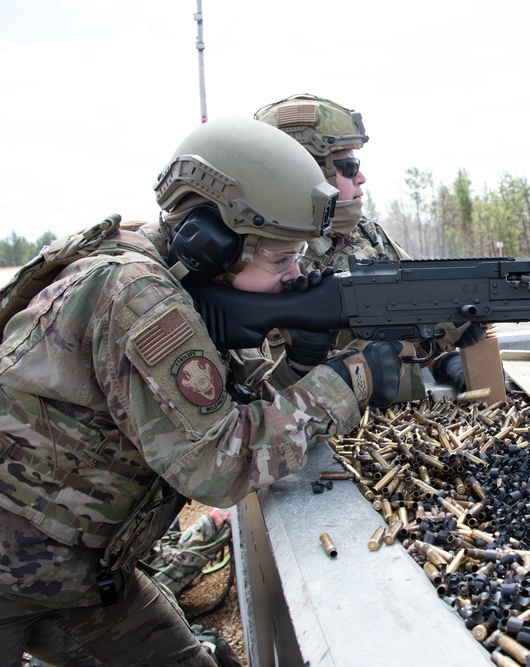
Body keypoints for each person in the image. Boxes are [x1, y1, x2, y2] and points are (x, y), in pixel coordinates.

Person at [0, 116, 406, 665]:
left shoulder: (184, 283)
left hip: (71, 576)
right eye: (282, 259)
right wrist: (347, 383)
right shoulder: (138, 297)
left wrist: (306, 360)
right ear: (213, 245)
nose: (295, 275)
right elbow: (219, 462)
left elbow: (233, 409)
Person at [253, 94, 484, 396]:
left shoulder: (368, 235)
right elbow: (255, 397)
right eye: (348, 167)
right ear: (305, 170)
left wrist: (448, 354)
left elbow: (415, 331)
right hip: (312, 432)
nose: (361, 177)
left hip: (397, 428)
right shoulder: (260, 262)